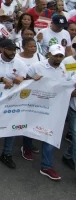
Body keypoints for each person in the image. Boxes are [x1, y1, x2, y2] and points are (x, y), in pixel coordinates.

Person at [22, 44, 75, 180]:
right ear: (49, 54)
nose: (58, 58)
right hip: (36, 104)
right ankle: (27, 146)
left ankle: (47, 166)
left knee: (51, 134)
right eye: (55, 55)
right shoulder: (37, 66)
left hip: (56, 107)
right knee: (31, 127)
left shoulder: (66, 67)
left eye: (60, 56)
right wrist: (33, 81)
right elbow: (25, 82)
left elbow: (70, 83)